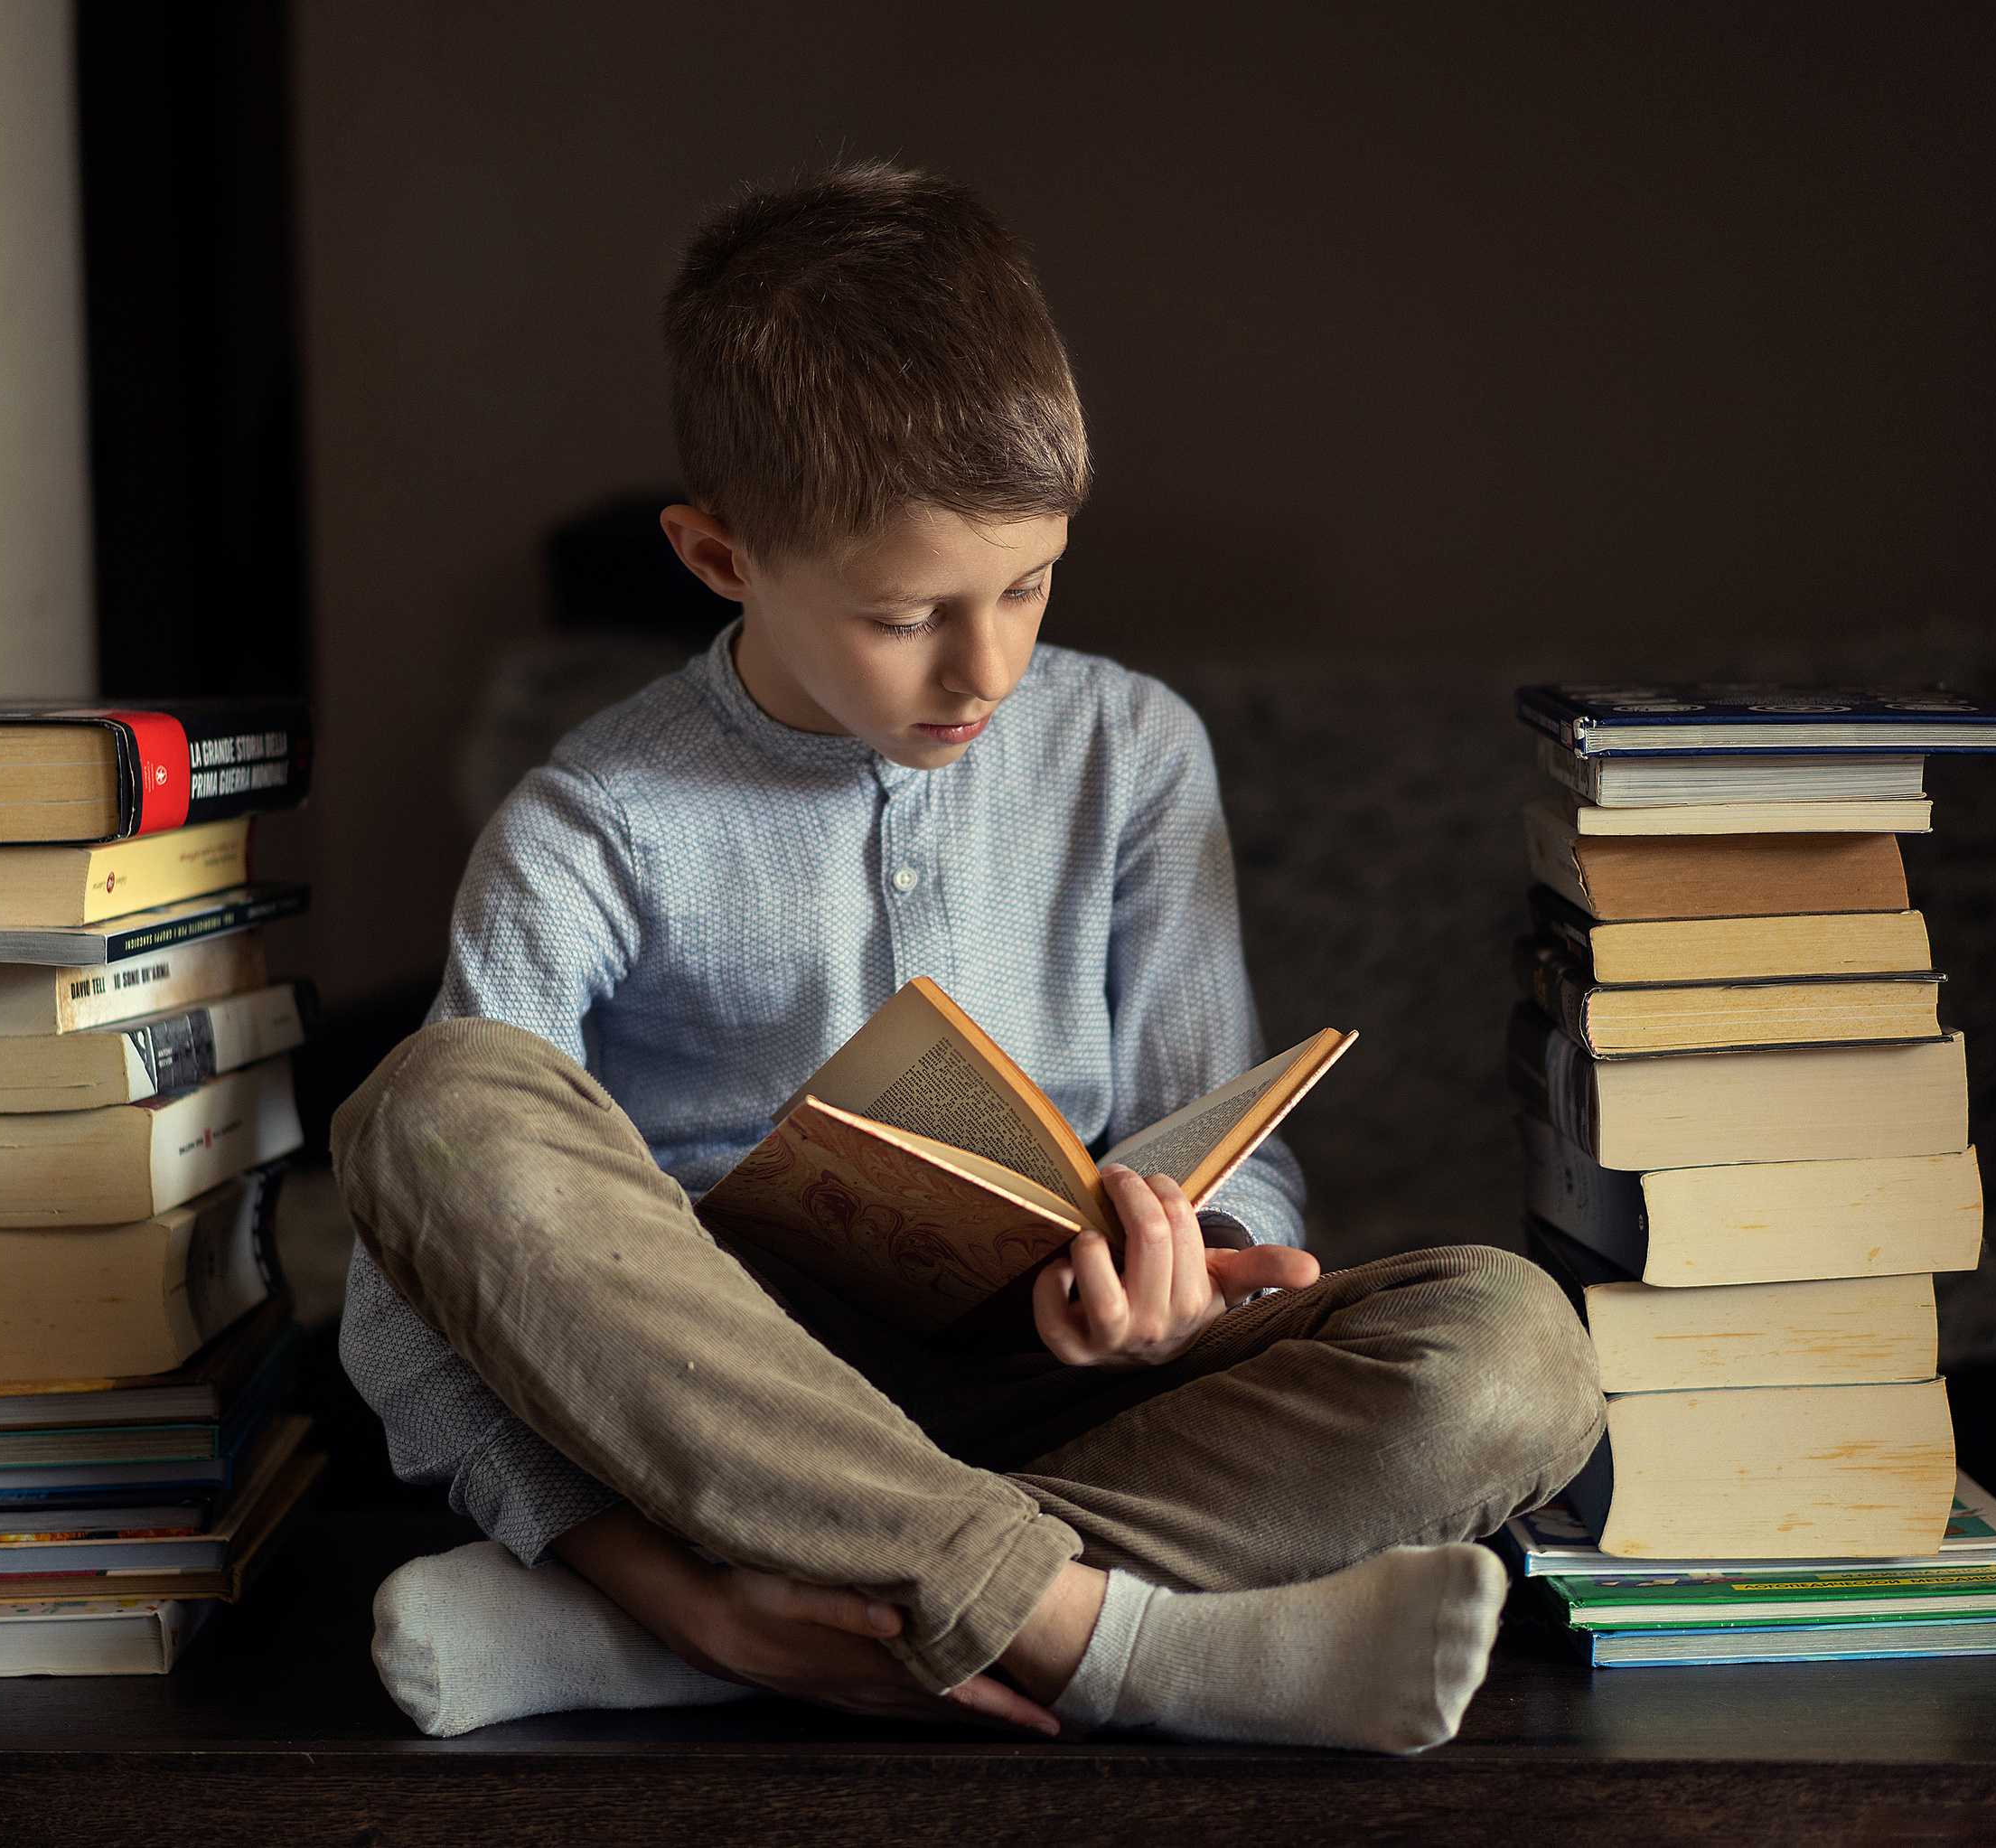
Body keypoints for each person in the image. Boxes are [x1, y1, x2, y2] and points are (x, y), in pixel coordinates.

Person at [337, 163, 1604, 1751]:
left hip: (1068, 1383)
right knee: (433, 1100)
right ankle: (1104, 1637)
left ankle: (713, 1638)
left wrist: (1175, 1288)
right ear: (720, 555)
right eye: (907, 613)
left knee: (1513, 1356)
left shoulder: (1133, 749)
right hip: (711, 1407)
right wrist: (654, 1552)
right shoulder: (595, 817)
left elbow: (1230, 1150)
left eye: (1029, 582)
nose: (987, 663)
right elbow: (420, 1278)